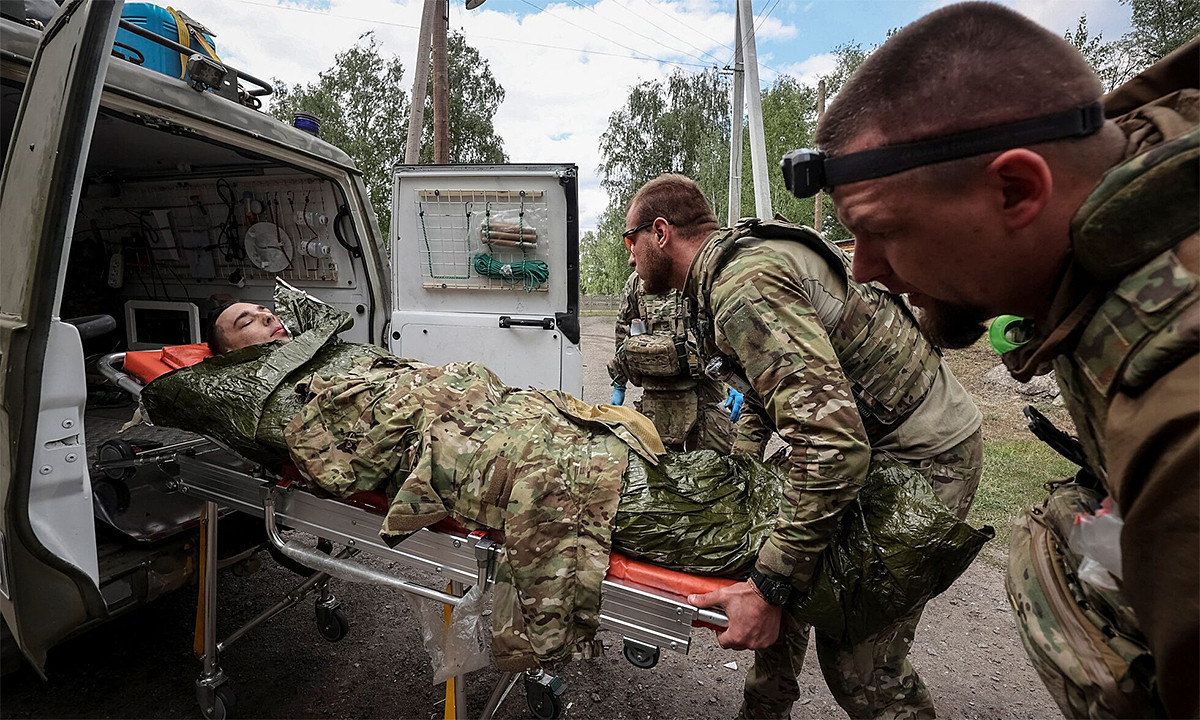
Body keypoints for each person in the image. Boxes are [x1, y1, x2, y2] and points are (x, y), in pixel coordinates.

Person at [801, 4, 1197, 716]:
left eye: (880, 231)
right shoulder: (1123, 251)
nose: (862, 271)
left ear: (1017, 189)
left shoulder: (1181, 406)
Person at [623, 174, 984, 719]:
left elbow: (833, 448)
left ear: (660, 232)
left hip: (924, 454)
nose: (628, 259)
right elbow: (771, 396)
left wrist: (768, 585)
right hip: (860, 439)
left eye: (628, 242)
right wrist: (736, 480)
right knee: (778, 582)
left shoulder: (743, 284)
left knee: (858, 663)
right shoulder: (721, 278)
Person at [608, 270, 761, 454]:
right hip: (657, 392)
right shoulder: (638, 280)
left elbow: (732, 328)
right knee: (661, 464)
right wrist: (619, 382)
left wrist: (740, 381)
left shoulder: (700, 273)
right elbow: (623, 332)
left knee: (715, 462)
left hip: (705, 387)